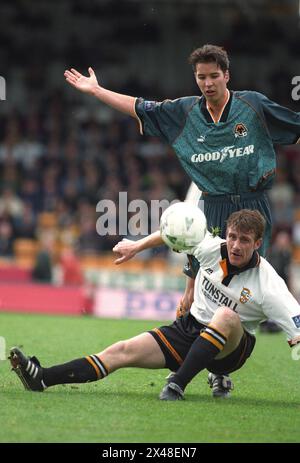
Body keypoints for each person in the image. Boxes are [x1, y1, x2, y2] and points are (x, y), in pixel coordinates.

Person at [64, 44, 300, 395]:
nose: (207, 83)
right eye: (201, 77)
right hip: (213, 205)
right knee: (210, 278)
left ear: (227, 75)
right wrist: (97, 91)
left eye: (213, 76)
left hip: (253, 205)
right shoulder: (184, 112)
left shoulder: (253, 106)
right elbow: (138, 107)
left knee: (247, 282)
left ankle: (230, 356)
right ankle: (216, 363)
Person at [9, 210, 300, 401]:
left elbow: (297, 333)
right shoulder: (212, 247)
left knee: (226, 316)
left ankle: (177, 385)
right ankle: (43, 377)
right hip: (190, 330)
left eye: (245, 240)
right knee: (119, 351)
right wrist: (136, 246)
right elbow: (173, 233)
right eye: (232, 236)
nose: (236, 245)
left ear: (258, 243)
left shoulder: (270, 285)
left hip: (231, 350)